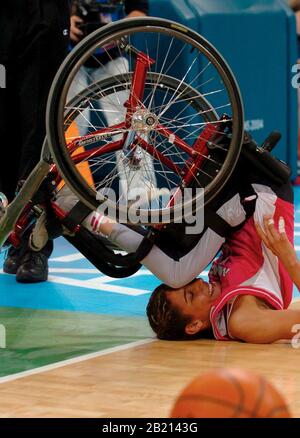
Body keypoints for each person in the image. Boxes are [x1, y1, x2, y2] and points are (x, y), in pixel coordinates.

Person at [0, 1, 70, 283]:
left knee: (37, 129)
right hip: (6, 17)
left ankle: (36, 243)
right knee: (5, 129)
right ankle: (14, 234)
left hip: (44, 14)